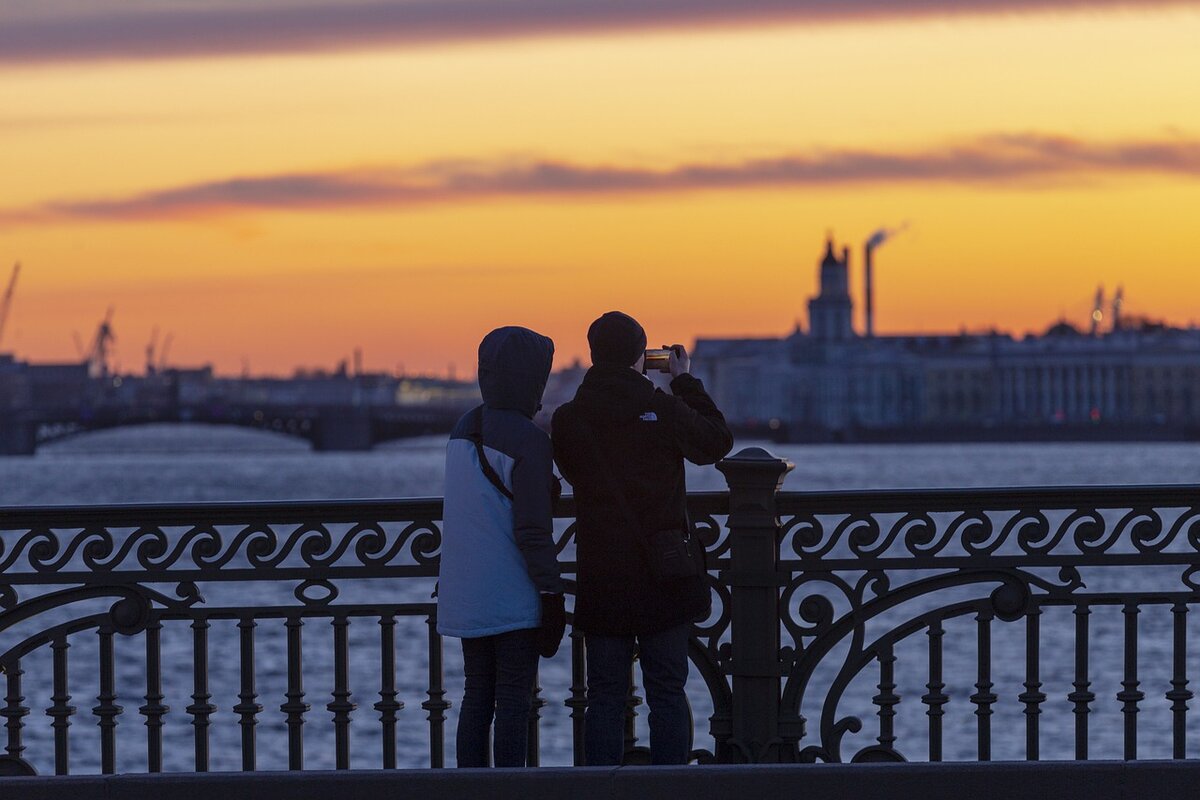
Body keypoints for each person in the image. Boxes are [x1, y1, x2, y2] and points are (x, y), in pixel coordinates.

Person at [551, 311, 733, 766]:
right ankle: (669, 788)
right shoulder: (663, 408)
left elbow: (574, 472)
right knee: (667, 693)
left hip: (602, 574)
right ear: (641, 356)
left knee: (605, 697)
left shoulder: (570, 419)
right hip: (663, 572)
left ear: (593, 354)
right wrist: (684, 381)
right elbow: (717, 442)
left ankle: (601, 789)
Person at [438, 326, 567, 768]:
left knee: (477, 697)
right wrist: (551, 594)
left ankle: (469, 786)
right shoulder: (530, 440)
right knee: (513, 700)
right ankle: (511, 787)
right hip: (511, 594)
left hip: (465, 592)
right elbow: (533, 529)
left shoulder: (464, 426)